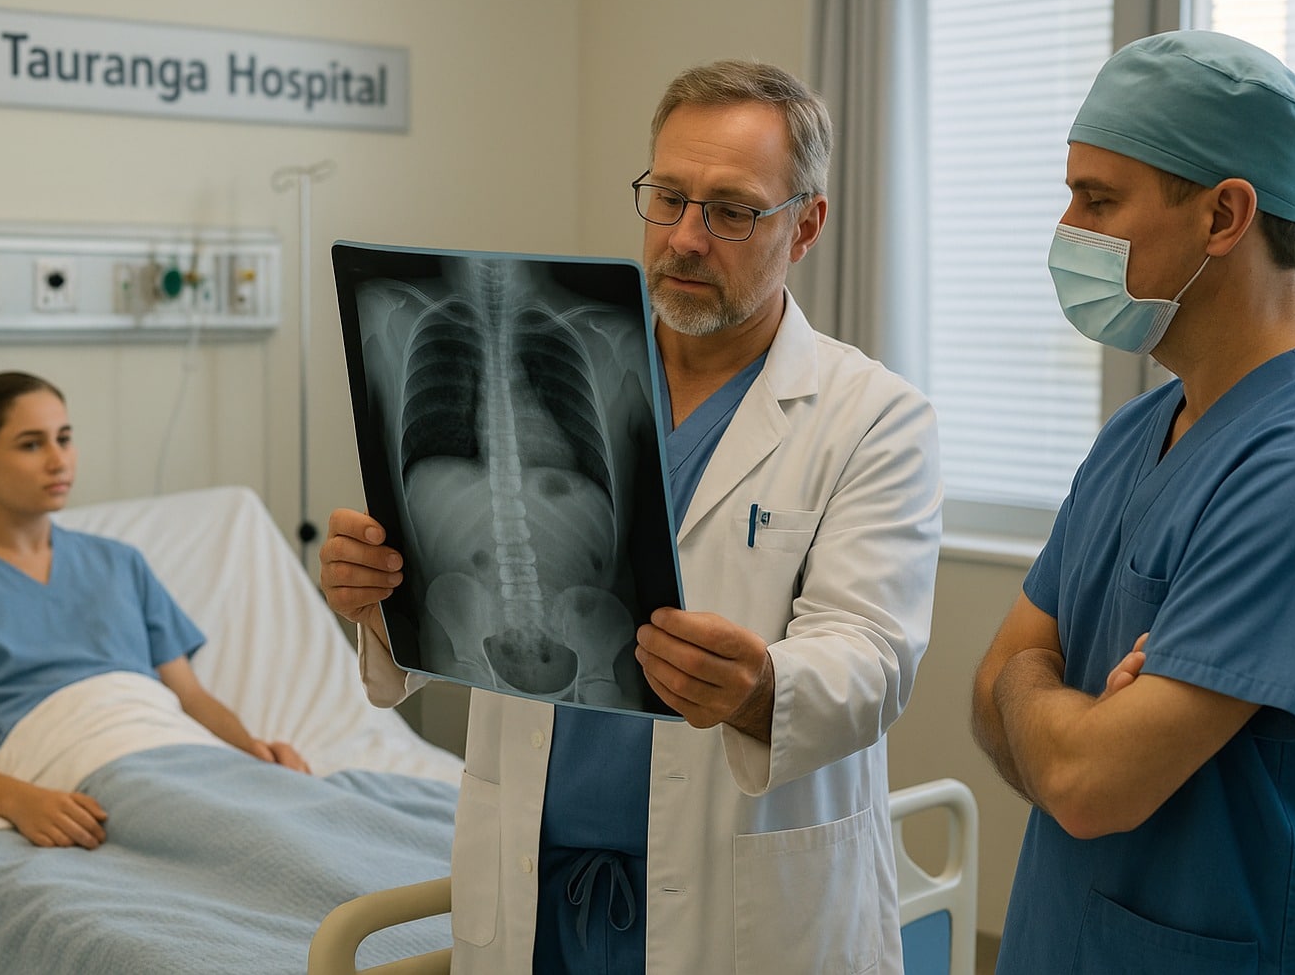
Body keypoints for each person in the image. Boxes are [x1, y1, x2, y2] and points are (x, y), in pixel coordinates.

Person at [320, 60, 942, 973]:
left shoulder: (874, 416)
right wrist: (374, 595)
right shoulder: (567, 373)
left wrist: (764, 687)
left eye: (732, 210)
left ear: (805, 224)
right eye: (669, 198)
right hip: (535, 891)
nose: (687, 238)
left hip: (739, 907)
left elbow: (874, 656)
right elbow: (452, 618)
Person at [972, 30, 1295, 972]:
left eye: (1097, 199)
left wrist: (1043, 692)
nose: (1067, 229)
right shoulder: (1139, 428)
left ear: (1225, 215)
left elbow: (1086, 783)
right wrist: (1052, 701)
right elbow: (988, 692)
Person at [0, 371, 308, 851]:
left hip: (175, 747)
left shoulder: (119, 563)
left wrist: (252, 753)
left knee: (295, 817)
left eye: (64, 438)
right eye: (31, 444)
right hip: (74, 769)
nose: (59, 460)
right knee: (249, 843)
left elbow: (189, 695)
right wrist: (22, 802)